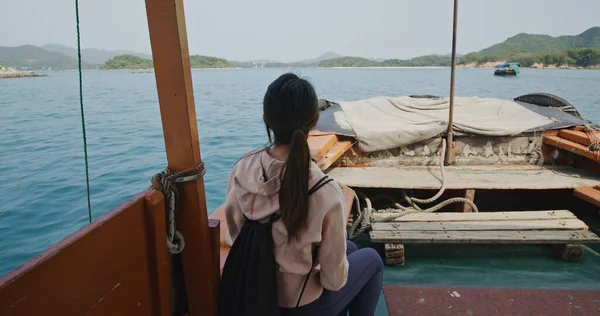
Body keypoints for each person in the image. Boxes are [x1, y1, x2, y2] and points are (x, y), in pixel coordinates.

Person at [221, 73, 383, 316]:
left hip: (252, 291)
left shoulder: (242, 167)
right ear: (315, 121)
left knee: (349, 247)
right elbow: (333, 282)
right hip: (299, 308)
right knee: (371, 258)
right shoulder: (323, 190)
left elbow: (236, 236)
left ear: (266, 119)